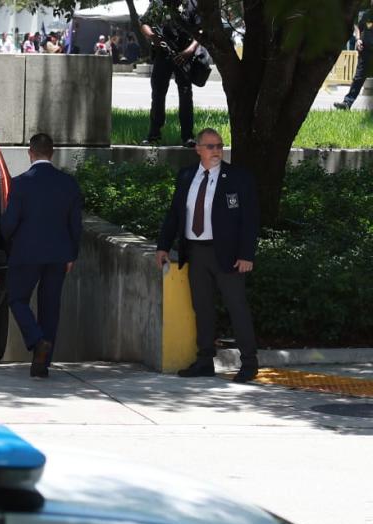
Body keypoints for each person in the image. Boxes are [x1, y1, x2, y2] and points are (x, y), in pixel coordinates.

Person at [155, 128, 260, 383]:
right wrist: (163, 246)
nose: (216, 151)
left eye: (219, 146)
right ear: (198, 149)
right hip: (196, 251)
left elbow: (250, 220)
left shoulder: (238, 178)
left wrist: (247, 254)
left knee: (237, 307)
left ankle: (249, 362)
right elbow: (175, 214)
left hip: (228, 255)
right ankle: (204, 361)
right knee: (201, 308)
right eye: (210, 146)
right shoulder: (187, 176)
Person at [1, 133, 83, 379]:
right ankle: (42, 365)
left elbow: (10, 223)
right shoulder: (69, 184)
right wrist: (72, 255)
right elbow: (75, 225)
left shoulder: (20, 184)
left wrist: (6, 242)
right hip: (58, 255)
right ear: (52, 153)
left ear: (30, 153)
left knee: (17, 299)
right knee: (50, 309)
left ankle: (37, 341)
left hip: (26, 254)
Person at [140, 0, 200, 147]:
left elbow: (200, 30)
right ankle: (154, 135)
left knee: (186, 95)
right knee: (158, 94)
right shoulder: (159, 3)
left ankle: (187, 136)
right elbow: (144, 23)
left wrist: (189, 51)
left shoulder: (192, 3)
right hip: (163, 54)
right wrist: (153, 37)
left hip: (184, 55)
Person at [334, 2, 373, 110]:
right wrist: (358, 39)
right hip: (366, 53)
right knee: (358, 78)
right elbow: (358, 27)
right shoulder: (367, 15)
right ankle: (347, 103)